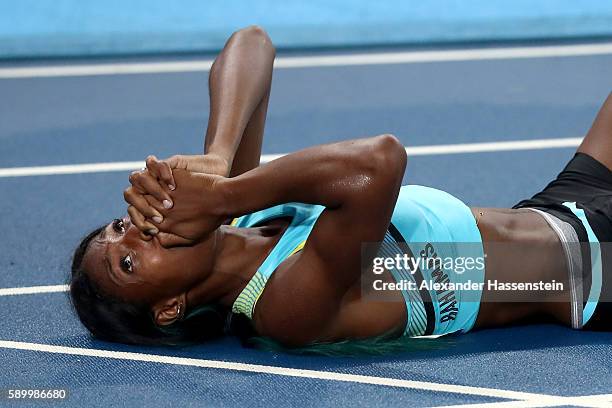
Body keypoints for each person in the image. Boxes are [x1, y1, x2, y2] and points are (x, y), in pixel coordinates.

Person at [70, 26, 612, 354]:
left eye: (120, 228)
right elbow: (378, 163)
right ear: (170, 309)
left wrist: (218, 160)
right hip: (592, 275)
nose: (136, 234)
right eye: (128, 264)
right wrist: (221, 196)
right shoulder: (284, 310)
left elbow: (252, 43)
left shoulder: (240, 220)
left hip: (564, 206)